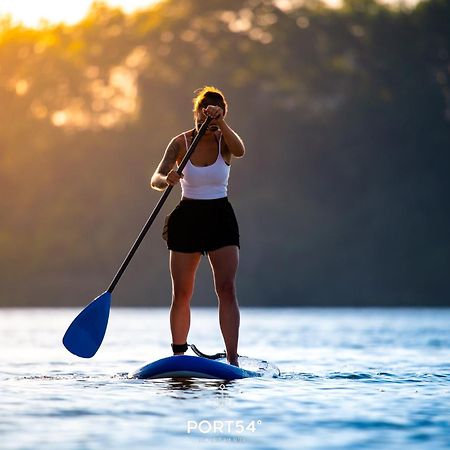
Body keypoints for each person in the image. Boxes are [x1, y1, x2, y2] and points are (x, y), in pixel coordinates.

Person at [151, 86, 245, 366]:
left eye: (214, 117)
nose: (206, 123)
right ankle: (178, 354)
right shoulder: (180, 143)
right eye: (202, 116)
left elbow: (240, 151)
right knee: (181, 292)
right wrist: (167, 178)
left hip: (220, 217)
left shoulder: (225, 141)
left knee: (226, 288)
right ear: (195, 113)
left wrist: (221, 123)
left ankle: (232, 359)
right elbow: (155, 177)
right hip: (187, 218)